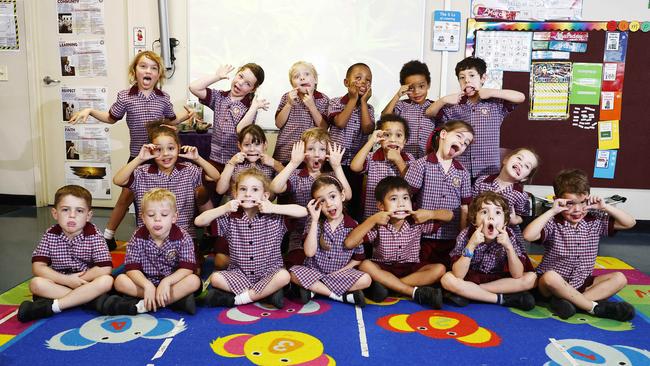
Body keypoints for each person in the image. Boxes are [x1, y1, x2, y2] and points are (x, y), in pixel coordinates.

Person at [69, 51, 194, 251]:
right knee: (126, 196)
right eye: (143, 66)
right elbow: (111, 118)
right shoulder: (125, 96)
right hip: (138, 155)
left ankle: (162, 234)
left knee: (154, 198)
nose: (148, 71)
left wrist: (186, 116)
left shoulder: (163, 98)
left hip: (160, 157)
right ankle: (109, 236)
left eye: (153, 68)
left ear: (159, 74)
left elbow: (170, 120)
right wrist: (90, 111)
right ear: (134, 71)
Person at [523, 169, 636, 321]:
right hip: (551, 285)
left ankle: (571, 303)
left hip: (580, 282)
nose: (577, 209)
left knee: (620, 278)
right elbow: (528, 235)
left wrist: (605, 207)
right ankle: (592, 307)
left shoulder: (595, 220)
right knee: (550, 277)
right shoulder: (553, 222)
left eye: (582, 202)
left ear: (588, 199)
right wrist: (551, 211)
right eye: (570, 204)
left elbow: (630, 223)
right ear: (558, 200)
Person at [195, 168, 308, 309]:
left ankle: (239, 299)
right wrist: (224, 208)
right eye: (243, 189)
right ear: (235, 194)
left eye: (255, 190)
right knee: (216, 278)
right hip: (240, 274)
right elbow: (199, 222)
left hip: (270, 273)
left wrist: (273, 208)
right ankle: (266, 293)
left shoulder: (274, 216)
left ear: (265, 195)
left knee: (284, 276)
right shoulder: (229, 217)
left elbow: (303, 211)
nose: (248, 194)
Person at [344, 176, 453, 308]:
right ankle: (411, 291)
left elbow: (449, 215)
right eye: (394, 199)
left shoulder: (416, 221)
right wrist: (372, 220)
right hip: (384, 267)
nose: (401, 204)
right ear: (381, 206)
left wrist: (431, 214)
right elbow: (349, 243)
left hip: (410, 269)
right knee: (365, 265)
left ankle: (390, 287)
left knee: (440, 269)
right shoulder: (378, 225)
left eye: (405, 198)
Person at [17, 185, 113, 322]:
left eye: (79, 211)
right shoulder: (51, 234)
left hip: (85, 283)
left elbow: (105, 268)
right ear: (55, 213)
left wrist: (79, 280)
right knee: (36, 283)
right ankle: (90, 301)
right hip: (60, 282)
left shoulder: (94, 235)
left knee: (106, 281)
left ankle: (55, 306)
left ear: (88, 215)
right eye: (65, 210)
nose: (72, 215)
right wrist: (67, 280)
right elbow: (38, 266)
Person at [112, 125, 220, 240]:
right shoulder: (142, 172)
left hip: (183, 236)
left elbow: (215, 176)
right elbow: (118, 180)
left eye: (170, 148)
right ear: (151, 150)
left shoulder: (189, 170)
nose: (165, 154)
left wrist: (198, 159)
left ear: (178, 148)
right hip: (149, 237)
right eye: (158, 149)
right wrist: (139, 158)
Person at [425, 56, 525, 179]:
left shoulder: (495, 104)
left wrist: (492, 92)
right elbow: (429, 112)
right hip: (460, 170)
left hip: (488, 171)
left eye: (472, 75)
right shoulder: (454, 106)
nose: (467, 80)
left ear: (483, 78)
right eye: (462, 77)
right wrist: (444, 99)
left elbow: (521, 97)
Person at [105, 188, 201, 315]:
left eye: (164, 215)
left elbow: (187, 268)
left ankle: (146, 304)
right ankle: (174, 301)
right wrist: (147, 285)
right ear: (143, 218)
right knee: (120, 281)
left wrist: (167, 281)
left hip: (171, 283)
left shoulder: (183, 237)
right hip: (145, 283)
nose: (157, 219)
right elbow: (132, 268)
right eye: (151, 215)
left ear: (174, 217)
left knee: (193, 280)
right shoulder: (137, 236)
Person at [270, 128, 351, 268]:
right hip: (300, 234)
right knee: (297, 265)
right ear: (303, 152)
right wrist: (293, 163)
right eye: (311, 149)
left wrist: (337, 167)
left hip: (330, 234)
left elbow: (348, 195)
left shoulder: (332, 175)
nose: (316, 154)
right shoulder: (296, 175)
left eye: (321, 149)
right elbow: (275, 188)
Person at [441, 191, 537, 309]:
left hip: (498, 282)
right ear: (474, 221)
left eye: (497, 212)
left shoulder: (509, 236)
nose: (491, 217)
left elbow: (517, 274)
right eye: (484, 212)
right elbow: (458, 274)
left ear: (505, 222)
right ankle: (500, 299)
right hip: (471, 277)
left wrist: (508, 247)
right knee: (447, 279)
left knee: (531, 278)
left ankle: (471, 293)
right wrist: (471, 245)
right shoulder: (466, 235)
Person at [188, 63, 269, 204]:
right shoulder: (219, 97)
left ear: (252, 89)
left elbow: (241, 130)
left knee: (234, 199)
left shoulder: (250, 107)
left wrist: (254, 107)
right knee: (207, 196)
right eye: (240, 76)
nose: (240, 83)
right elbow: (194, 87)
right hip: (215, 160)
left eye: (247, 83)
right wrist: (217, 76)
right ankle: (210, 224)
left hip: (237, 162)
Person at [289, 176, 371, 306]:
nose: (329, 204)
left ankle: (315, 289)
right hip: (314, 272)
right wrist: (315, 220)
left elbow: (358, 258)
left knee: (366, 280)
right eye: (322, 201)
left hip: (339, 274)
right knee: (293, 274)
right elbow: (309, 253)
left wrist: (341, 272)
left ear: (342, 195)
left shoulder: (353, 225)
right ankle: (337, 296)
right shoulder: (313, 222)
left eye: (332, 197)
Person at [212, 124, 284, 270]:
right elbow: (220, 190)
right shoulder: (236, 165)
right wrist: (231, 163)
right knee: (220, 261)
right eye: (247, 145)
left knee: (263, 261)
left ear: (265, 145)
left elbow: (289, 180)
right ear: (239, 146)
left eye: (257, 144)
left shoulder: (269, 165)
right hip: (236, 219)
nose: (252, 149)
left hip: (263, 219)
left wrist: (275, 164)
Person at [404, 120, 474, 268]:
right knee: (422, 267)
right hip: (423, 232)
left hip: (450, 235)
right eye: (459, 137)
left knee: (446, 268)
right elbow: (407, 197)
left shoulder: (463, 173)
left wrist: (461, 235)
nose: (462, 143)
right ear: (443, 134)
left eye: (466, 143)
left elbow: (464, 208)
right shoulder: (421, 164)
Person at [328, 63, 375, 220]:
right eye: (358, 78)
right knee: (333, 198)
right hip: (334, 162)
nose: (363, 82)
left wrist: (362, 103)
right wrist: (353, 99)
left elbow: (368, 129)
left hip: (355, 165)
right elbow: (340, 123)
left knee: (353, 201)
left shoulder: (369, 108)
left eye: (368, 80)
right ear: (346, 82)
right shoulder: (335, 102)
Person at [472, 147, 540, 252]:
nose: (521, 164)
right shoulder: (482, 182)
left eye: (527, 166)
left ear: (524, 178)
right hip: (480, 233)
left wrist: (515, 220)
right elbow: (472, 206)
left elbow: (523, 216)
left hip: (505, 238)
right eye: (519, 158)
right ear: (506, 160)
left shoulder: (520, 195)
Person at [350, 114, 413, 220]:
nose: (393, 140)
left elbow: (412, 182)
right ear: (380, 138)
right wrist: (372, 141)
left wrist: (398, 160)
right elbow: (354, 167)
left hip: (398, 216)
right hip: (373, 215)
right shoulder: (372, 157)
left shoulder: (408, 158)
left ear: (405, 140)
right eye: (387, 135)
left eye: (398, 135)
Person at [273, 61, 330, 165]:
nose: (302, 78)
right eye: (296, 76)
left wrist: (312, 106)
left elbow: (324, 128)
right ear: (292, 84)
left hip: (311, 155)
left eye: (307, 74)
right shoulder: (287, 97)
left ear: (315, 79)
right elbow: (278, 124)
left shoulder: (323, 99)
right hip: (285, 152)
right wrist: (289, 104)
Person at [381, 60, 435, 158]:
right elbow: (384, 118)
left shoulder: (434, 107)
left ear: (428, 84)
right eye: (411, 88)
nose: (417, 92)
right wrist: (397, 95)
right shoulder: (401, 106)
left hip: (427, 161)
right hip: (402, 159)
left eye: (421, 86)